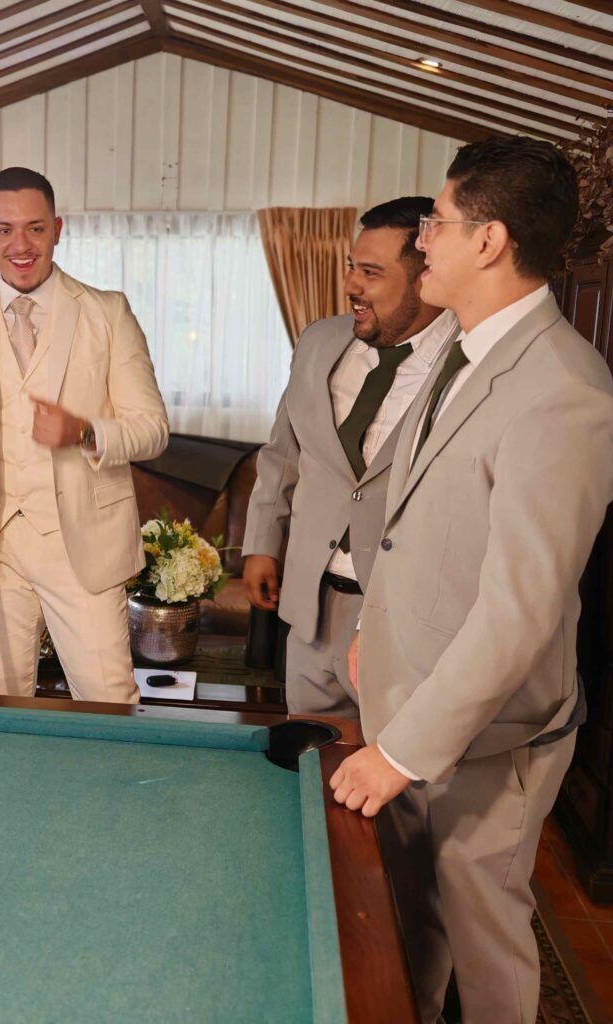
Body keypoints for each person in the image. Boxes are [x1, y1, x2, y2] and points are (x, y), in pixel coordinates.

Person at [331, 137, 613, 1023]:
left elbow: (521, 611)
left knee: (484, 943)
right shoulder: (463, 347)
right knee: (414, 921)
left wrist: (400, 753)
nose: (424, 240)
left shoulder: (565, 388)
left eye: (438, 222)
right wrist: (374, 630)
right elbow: (410, 519)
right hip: (410, 691)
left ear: (489, 241)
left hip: (492, 735)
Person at [0, 167, 168, 702]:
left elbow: (152, 429)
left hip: (84, 548)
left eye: (35, 228)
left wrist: (83, 431)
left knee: (108, 702)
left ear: (58, 229)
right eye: (4, 230)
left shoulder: (107, 312)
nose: (20, 245)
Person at [242, 197, 457, 717]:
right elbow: (283, 452)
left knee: (392, 762)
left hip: (403, 617)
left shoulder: (468, 360)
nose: (350, 286)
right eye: (351, 267)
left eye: (371, 273)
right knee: (311, 751)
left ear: (425, 276)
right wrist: (262, 543)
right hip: (309, 608)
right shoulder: (319, 341)